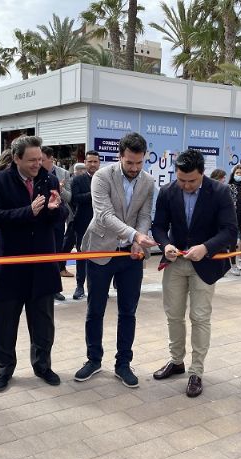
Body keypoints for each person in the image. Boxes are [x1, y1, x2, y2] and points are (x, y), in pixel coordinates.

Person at [152, 150, 237, 397]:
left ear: (202, 173)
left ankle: (196, 372)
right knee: (173, 314)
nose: (186, 185)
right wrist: (164, 244)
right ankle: (176, 360)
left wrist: (206, 247)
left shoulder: (220, 192)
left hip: (206, 264)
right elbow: (158, 226)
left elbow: (230, 231)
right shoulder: (168, 191)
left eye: (192, 181)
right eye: (181, 180)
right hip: (175, 262)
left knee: (200, 317)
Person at [0, 135, 67, 393]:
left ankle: (43, 366)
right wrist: (28, 211)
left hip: (42, 264)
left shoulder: (49, 179)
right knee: (4, 324)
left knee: (43, 323)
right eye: (31, 160)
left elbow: (63, 216)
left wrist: (56, 209)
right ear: (17, 158)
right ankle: (4, 369)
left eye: (40, 159)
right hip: (12, 265)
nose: (37, 164)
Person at [74, 133, 156, 388]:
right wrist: (135, 235)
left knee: (128, 312)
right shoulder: (102, 177)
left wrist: (135, 242)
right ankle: (93, 359)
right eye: (129, 162)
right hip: (101, 250)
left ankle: (123, 364)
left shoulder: (149, 182)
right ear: (120, 156)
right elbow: (103, 215)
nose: (134, 168)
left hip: (130, 255)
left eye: (139, 163)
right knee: (95, 309)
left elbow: (144, 215)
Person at [42, 146, 73, 298]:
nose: (39, 163)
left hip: (58, 220)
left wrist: (60, 190)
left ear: (51, 159)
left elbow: (69, 199)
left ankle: (55, 288)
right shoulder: (34, 175)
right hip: (40, 220)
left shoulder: (63, 174)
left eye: (42, 159)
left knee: (56, 252)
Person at [70, 152, 100, 300]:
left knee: (99, 257)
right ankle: (80, 285)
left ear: (99, 163)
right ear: (85, 163)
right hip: (82, 223)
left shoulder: (105, 179)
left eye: (95, 161)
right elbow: (75, 198)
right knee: (82, 256)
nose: (93, 164)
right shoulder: (78, 180)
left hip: (102, 225)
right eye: (90, 161)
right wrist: (94, 194)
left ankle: (97, 287)